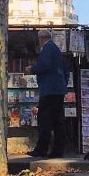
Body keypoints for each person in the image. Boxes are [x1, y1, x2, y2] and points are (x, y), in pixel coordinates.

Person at [28, 27, 69, 158]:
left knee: (44, 120)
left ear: (41, 39)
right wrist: (62, 85)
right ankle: (57, 150)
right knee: (57, 121)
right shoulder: (56, 50)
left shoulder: (47, 49)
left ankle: (41, 149)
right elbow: (66, 71)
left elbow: (44, 65)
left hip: (49, 90)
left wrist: (32, 69)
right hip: (58, 90)